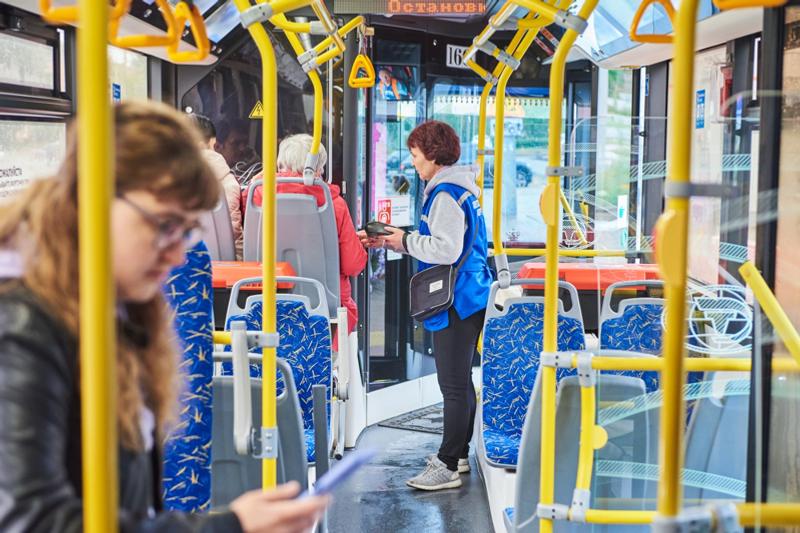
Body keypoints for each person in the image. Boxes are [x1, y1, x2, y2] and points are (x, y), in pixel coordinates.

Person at [0, 101, 329, 532]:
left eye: (187, 231)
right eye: (164, 225)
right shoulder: (21, 328)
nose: (177, 254)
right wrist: (227, 527)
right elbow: (33, 521)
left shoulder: (118, 310)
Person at [359, 120, 491, 491]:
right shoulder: (460, 189)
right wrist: (396, 240)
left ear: (433, 155)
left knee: (452, 384)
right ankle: (459, 454)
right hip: (470, 294)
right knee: (461, 381)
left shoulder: (446, 194)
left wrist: (403, 241)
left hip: (457, 298)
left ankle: (447, 465)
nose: (414, 163)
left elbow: (445, 250)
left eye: (416, 155)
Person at [250, 135, 367, 341]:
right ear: (315, 169)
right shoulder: (333, 204)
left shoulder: (256, 197)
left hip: (265, 302)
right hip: (325, 309)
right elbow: (353, 265)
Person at [191, 113, 244, 259]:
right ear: (212, 143)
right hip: (222, 263)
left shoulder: (162, 179)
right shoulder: (228, 183)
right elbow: (233, 235)